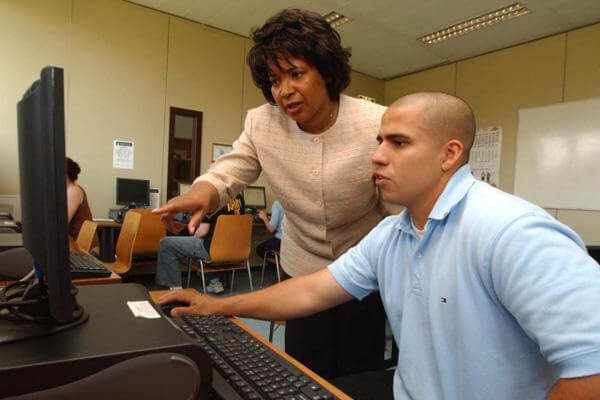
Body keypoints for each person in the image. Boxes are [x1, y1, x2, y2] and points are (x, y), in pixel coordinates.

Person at [159, 92, 600, 399]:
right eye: (379, 141)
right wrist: (217, 306)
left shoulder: (511, 232)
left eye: (399, 143)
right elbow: (312, 290)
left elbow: (593, 370)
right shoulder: (394, 234)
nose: (377, 155)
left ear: (449, 155)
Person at [154, 9, 391, 379]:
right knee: (303, 369)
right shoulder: (262, 122)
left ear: (326, 71)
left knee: (359, 372)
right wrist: (203, 192)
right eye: (275, 80)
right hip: (300, 268)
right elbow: (232, 169)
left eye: (296, 74)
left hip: (364, 269)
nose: (284, 91)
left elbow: (398, 199)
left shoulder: (376, 122)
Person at [155, 194, 244, 291]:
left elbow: (202, 232)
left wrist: (191, 230)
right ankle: (214, 280)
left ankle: (175, 288)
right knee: (199, 243)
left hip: (211, 250)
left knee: (166, 244)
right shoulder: (239, 198)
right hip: (235, 250)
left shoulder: (212, 201)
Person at [65, 157, 99, 255]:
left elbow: (60, 224)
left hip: (86, 251)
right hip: (76, 248)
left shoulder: (74, 191)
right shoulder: (67, 192)